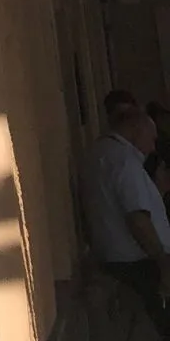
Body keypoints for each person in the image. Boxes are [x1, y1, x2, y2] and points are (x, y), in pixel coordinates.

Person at [81, 101, 170, 332]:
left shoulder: (101, 154)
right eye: (151, 139)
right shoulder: (124, 162)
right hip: (139, 267)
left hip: (119, 264)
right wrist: (163, 261)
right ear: (135, 130)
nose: (152, 148)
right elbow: (137, 218)